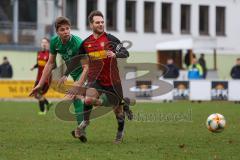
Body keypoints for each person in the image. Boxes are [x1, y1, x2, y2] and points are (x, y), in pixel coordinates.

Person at [67, 10, 132, 143]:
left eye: (102, 22)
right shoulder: (85, 44)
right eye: (98, 22)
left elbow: (125, 52)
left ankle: (120, 131)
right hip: (95, 79)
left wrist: (116, 54)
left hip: (113, 81)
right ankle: (85, 122)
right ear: (91, 25)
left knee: (118, 112)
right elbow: (80, 61)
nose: (101, 24)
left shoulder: (111, 39)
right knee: (88, 100)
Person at [29, 16, 88, 142]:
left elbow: (86, 67)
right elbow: (50, 64)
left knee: (77, 96)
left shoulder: (78, 43)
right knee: (78, 98)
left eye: (67, 28)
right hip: (74, 74)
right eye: (62, 29)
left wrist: (77, 83)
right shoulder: (55, 42)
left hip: (87, 71)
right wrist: (40, 84)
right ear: (57, 32)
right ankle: (81, 129)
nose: (66, 31)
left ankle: (81, 129)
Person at [30, 37, 53, 115]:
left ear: (48, 44)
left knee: (38, 94)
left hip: (46, 79)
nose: (43, 44)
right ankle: (48, 103)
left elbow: (54, 65)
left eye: (45, 42)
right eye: (42, 42)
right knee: (35, 94)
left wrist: (47, 70)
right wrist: (34, 67)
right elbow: (39, 63)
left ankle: (42, 111)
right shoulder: (38, 53)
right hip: (38, 78)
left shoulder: (50, 54)